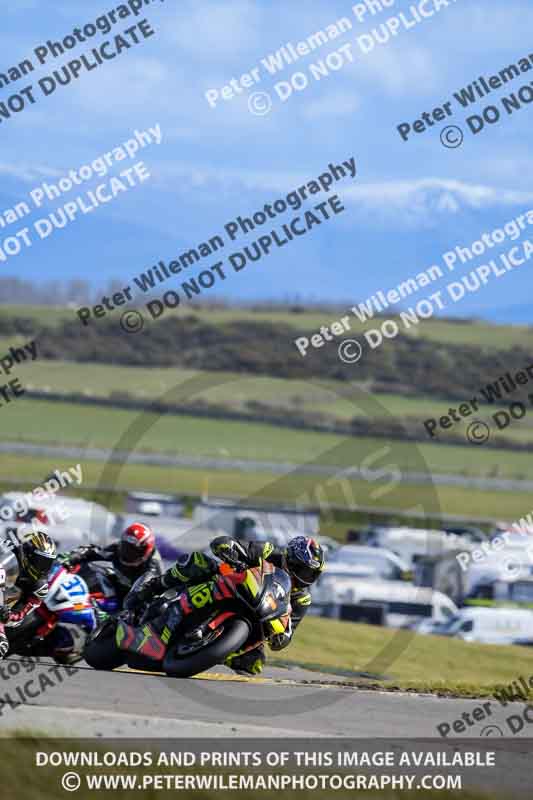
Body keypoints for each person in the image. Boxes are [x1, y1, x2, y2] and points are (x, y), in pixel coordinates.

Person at [121, 535, 325, 674]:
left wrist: (281, 636)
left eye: (311, 574)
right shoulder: (268, 552)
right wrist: (229, 550)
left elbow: (288, 631)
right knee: (199, 562)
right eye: (302, 569)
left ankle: (212, 653)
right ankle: (154, 586)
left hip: (258, 616)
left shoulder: (302, 599)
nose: (304, 577)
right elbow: (229, 544)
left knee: (254, 664)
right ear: (289, 559)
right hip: (230, 584)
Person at [62, 522, 163, 605]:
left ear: (146, 550)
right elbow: (94, 552)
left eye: (133, 550)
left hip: (137, 602)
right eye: (125, 547)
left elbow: (143, 597)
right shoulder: (118, 548)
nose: (127, 552)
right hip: (120, 587)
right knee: (94, 569)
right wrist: (73, 557)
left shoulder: (152, 568)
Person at [0, 531, 57, 659]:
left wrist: (8, 615)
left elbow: (20, 616)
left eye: (47, 563)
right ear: (27, 553)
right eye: (40, 561)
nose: (42, 568)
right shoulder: (6, 550)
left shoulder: (40, 587)